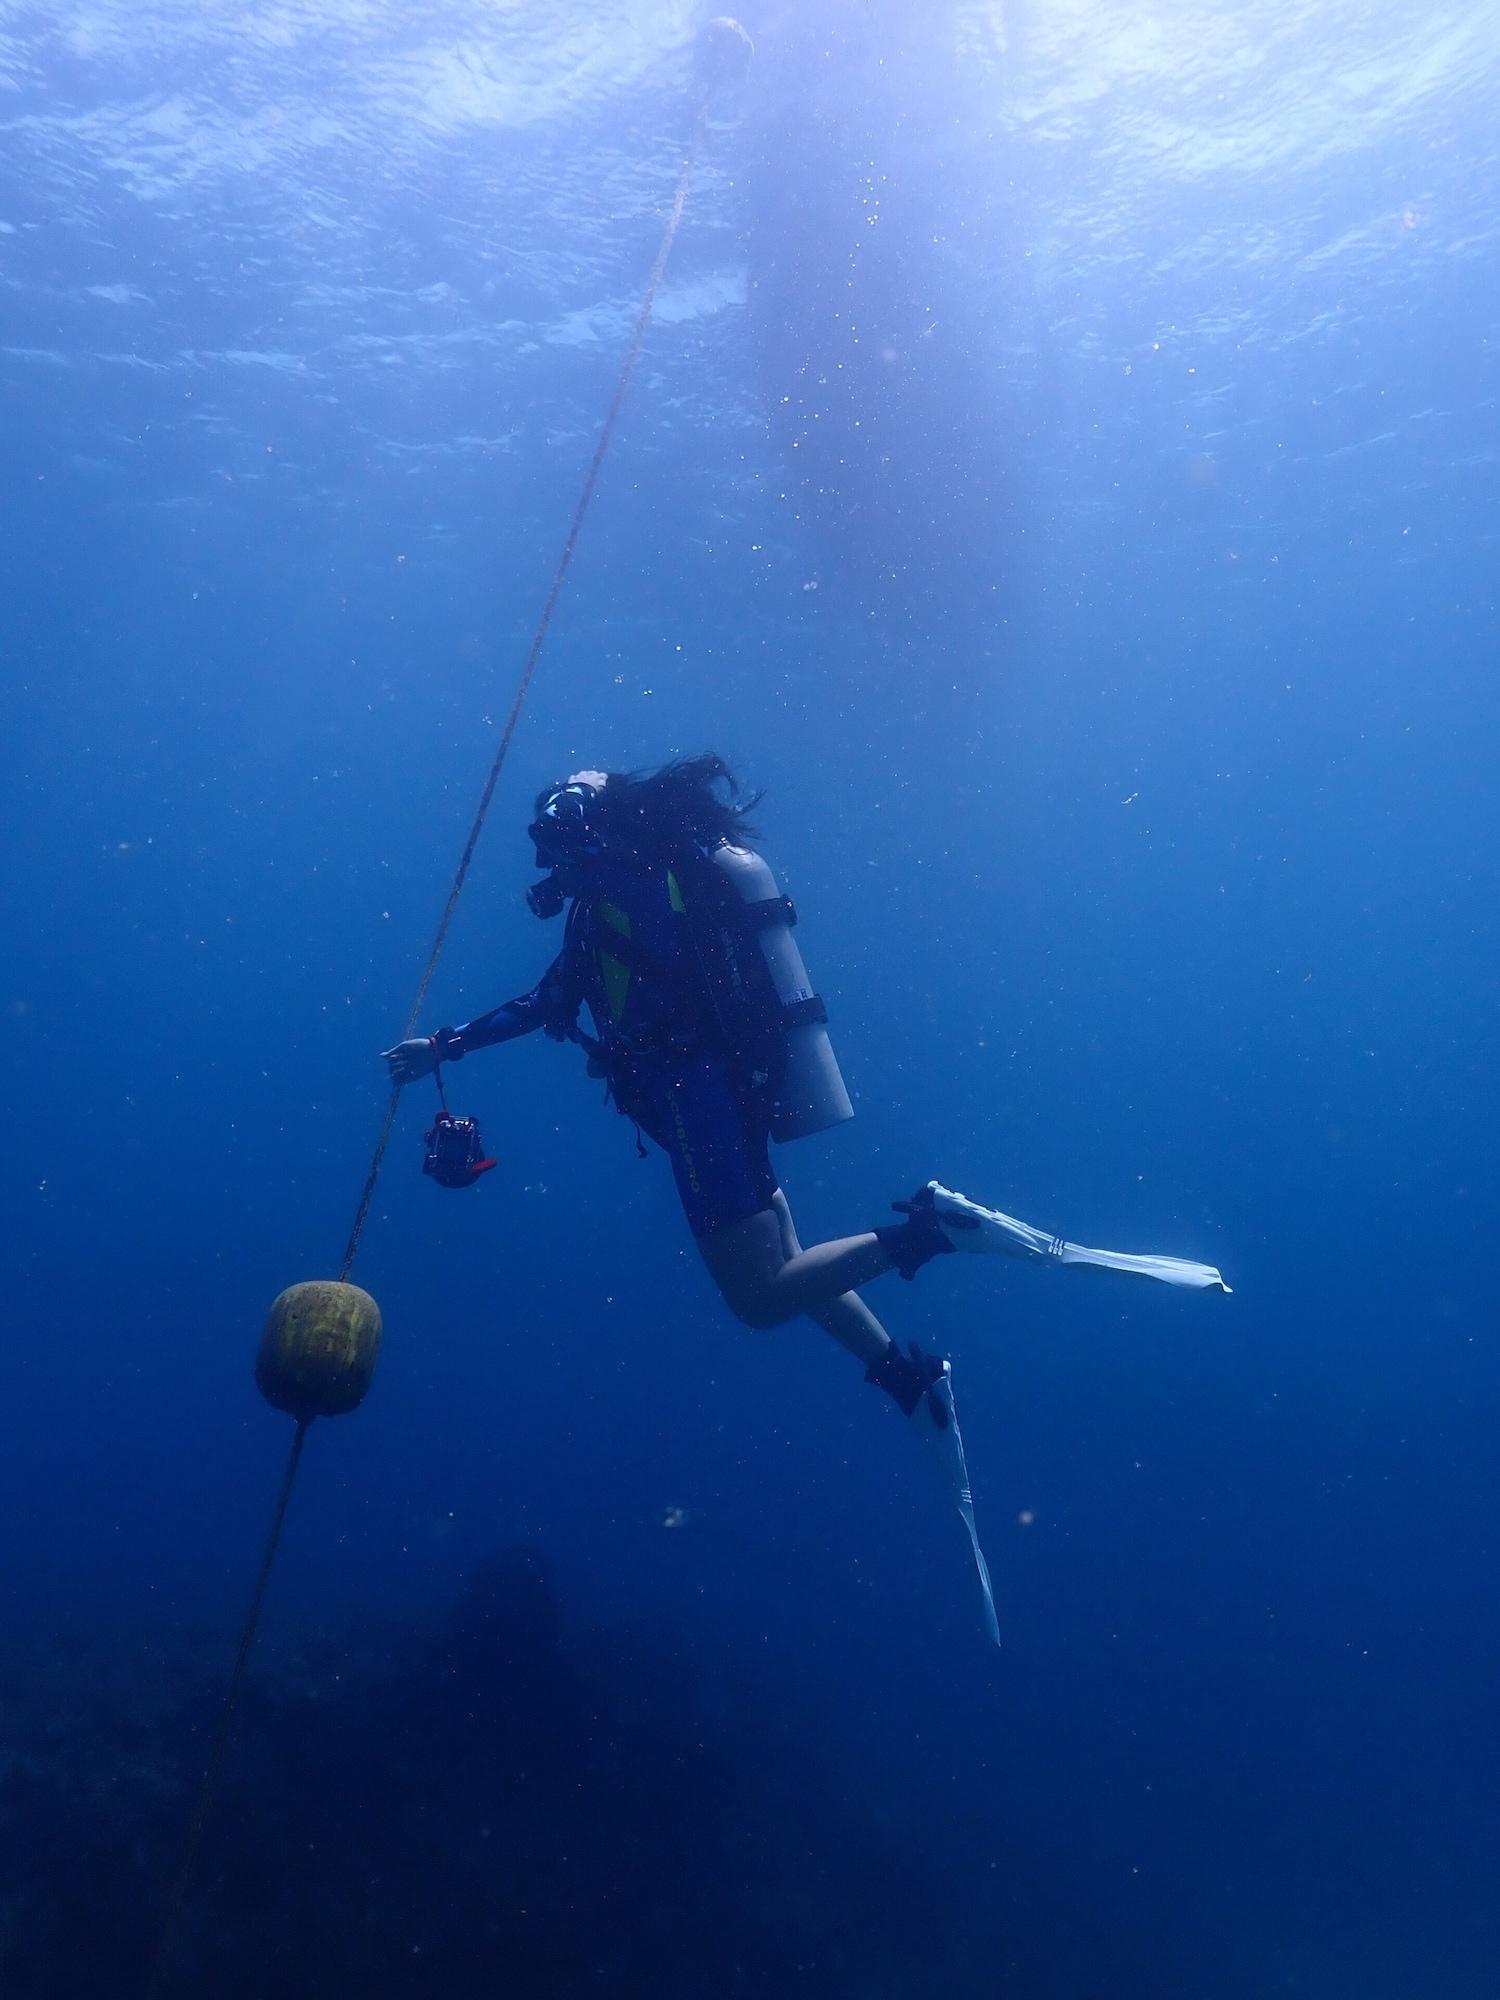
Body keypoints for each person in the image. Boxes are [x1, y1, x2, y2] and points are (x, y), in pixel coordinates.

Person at [383, 755, 968, 1430]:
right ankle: (902, 1373)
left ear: (591, 834)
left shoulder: (624, 887)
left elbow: (556, 969)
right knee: (791, 1261)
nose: (547, 874)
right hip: (719, 1097)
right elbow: (549, 999)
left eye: (554, 850)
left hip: (699, 1105)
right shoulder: (620, 898)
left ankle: (929, 1233)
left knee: (759, 1298)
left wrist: (581, 799)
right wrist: (444, 1046)